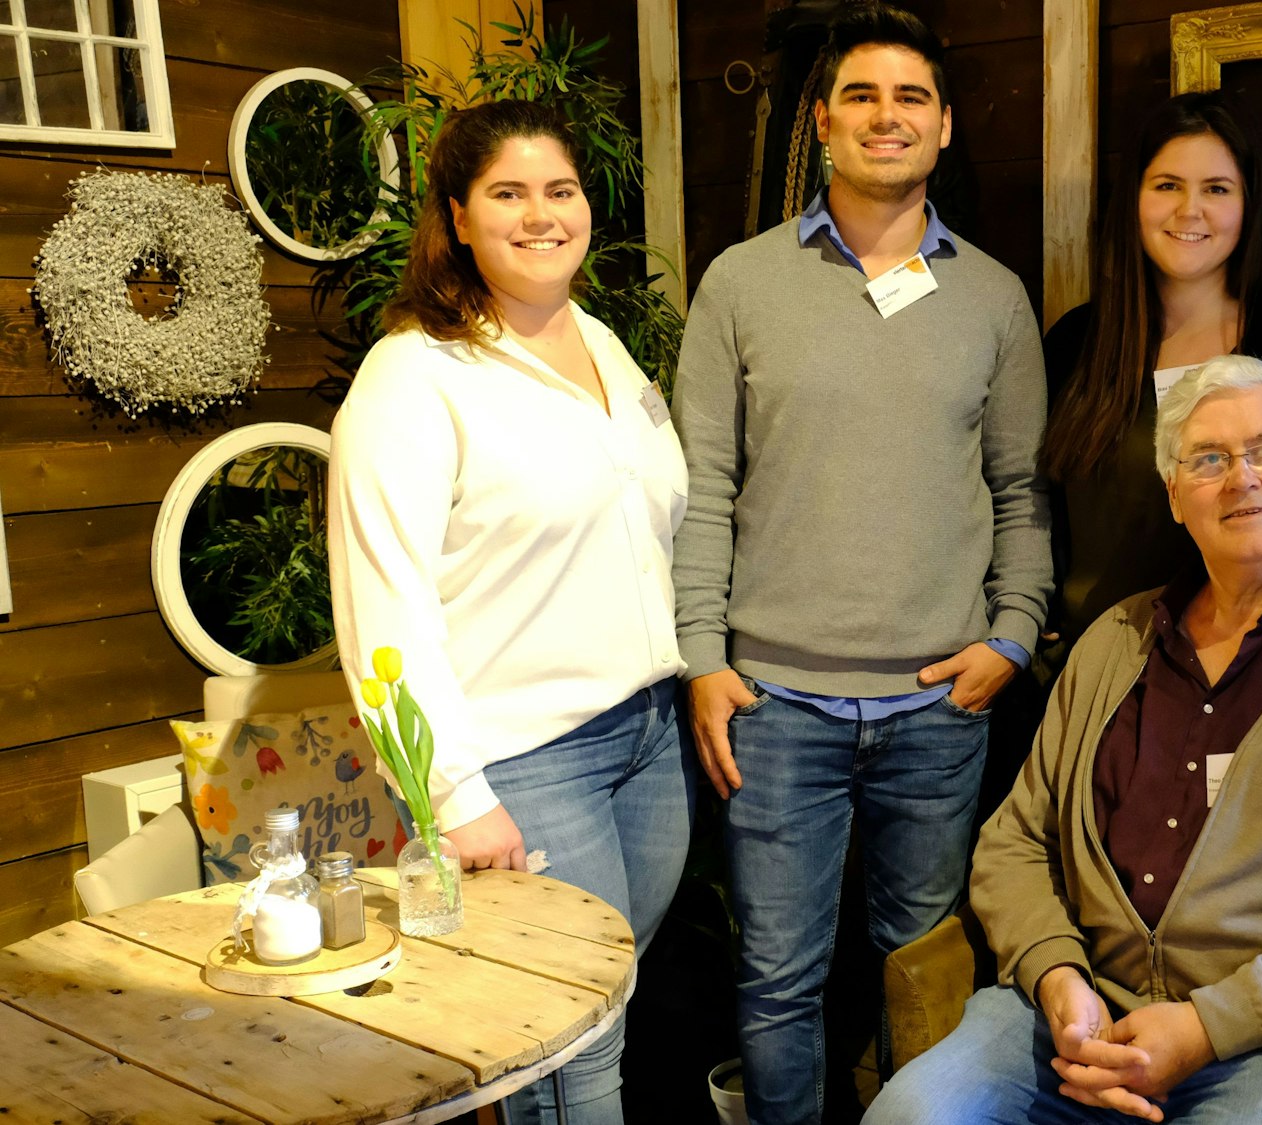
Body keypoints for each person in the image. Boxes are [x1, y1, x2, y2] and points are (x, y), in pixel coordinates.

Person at [865, 356, 1262, 1125]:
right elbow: (1015, 842)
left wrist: (1208, 1025)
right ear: (1174, 495)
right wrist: (1058, 977)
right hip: (1068, 1020)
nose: (1242, 477)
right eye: (1208, 459)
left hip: (1259, 1045)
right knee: (908, 1115)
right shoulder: (1113, 641)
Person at [669, 5, 1053, 1122]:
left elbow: (1022, 492)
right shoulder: (740, 284)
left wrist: (1012, 638)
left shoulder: (991, 297)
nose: (888, 117)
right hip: (771, 708)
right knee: (778, 979)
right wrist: (702, 657)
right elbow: (704, 491)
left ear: (941, 128)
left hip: (939, 706)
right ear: (824, 122)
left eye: (911, 99)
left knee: (919, 966)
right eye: (863, 96)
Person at [327, 101, 692, 1125]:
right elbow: (380, 606)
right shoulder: (414, 377)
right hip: (524, 762)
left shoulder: (605, 346)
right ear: (457, 215)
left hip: (644, 736)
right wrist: (450, 795)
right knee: (570, 1061)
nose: (541, 215)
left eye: (560, 190)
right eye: (508, 194)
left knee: (595, 1016)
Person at [1039, 92, 1262, 650]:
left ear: (1249, 204)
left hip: (1251, 666)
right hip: (1087, 664)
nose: (1189, 210)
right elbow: (1035, 501)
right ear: (1134, 200)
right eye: (1167, 185)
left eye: (1216, 189)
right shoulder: (1076, 343)